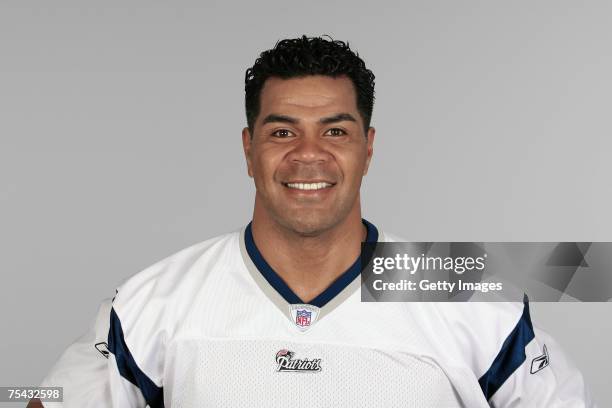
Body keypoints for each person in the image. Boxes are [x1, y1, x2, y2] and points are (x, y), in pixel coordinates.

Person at [31, 35, 595, 407]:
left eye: (335, 131)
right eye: (282, 132)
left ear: (367, 148)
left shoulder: (452, 283)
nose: (309, 155)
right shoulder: (156, 299)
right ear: (248, 148)